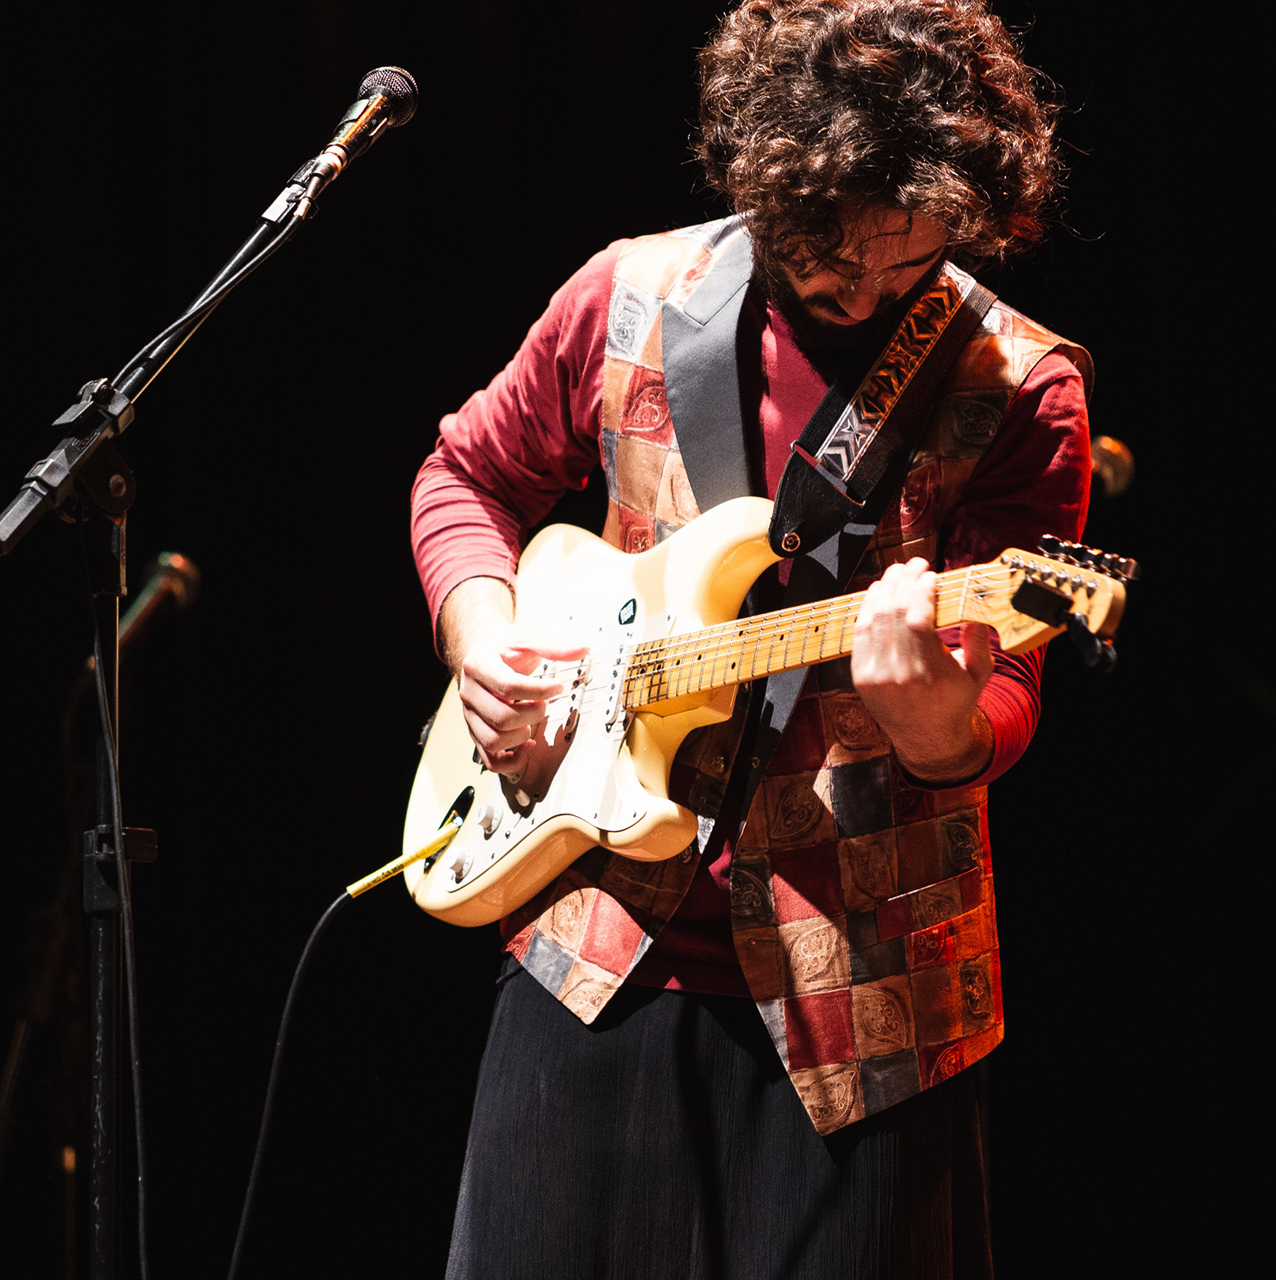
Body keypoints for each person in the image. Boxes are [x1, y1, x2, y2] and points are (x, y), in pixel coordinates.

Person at [410, 2, 1091, 1275]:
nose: (869, 292)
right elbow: (467, 476)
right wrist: (481, 633)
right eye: (835, 257)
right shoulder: (627, 293)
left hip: (872, 1008)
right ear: (771, 185)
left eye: (909, 260)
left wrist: (940, 723)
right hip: (594, 945)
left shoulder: (1023, 386)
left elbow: (1007, 694)